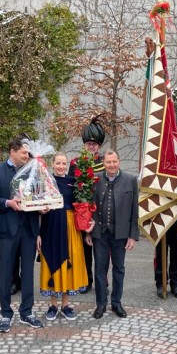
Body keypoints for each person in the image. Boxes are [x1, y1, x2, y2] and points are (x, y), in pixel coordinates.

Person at [0, 136, 46, 333]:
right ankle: (5, 313)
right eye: (24, 153)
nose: (27, 156)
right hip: (7, 231)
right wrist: (7, 203)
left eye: (28, 153)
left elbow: (38, 195)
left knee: (28, 272)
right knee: (6, 273)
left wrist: (41, 208)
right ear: (13, 151)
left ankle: (27, 312)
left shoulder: (32, 170)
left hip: (28, 230)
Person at [86, 150, 139, 319]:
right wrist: (87, 232)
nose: (111, 165)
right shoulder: (95, 179)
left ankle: (116, 303)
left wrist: (133, 235)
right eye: (108, 162)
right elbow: (89, 207)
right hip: (99, 232)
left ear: (119, 161)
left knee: (119, 269)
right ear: (104, 163)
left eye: (114, 161)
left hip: (120, 233)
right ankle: (101, 304)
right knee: (100, 269)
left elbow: (134, 210)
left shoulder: (130, 180)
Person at [38, 152, 91, 320]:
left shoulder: (73, 182)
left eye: (64, 163)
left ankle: (65, 305)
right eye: (58, 163)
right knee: (52, 261)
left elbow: (81, 205)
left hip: (69, 227)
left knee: (70, 263)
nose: (61, 166)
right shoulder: (45, 181)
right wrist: (38, 234)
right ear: (52, 164)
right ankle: (53, 305)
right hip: (50, 227)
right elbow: (37, 210)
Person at [69, 116, 106, 293]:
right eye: (88, 143)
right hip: (82, 211)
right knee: (84, 250)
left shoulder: (105, 162)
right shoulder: (75, 163)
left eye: (94, 144)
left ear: (99, 145)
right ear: (84, 144)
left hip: (100, 211)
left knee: (101, 249)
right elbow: (70, 187)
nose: (91, 146)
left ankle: (103, 281)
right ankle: (86, 280)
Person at [154, 142, 177, 300]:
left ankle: (176, 283)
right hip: (161, 208)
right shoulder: (156, 151)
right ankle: (160, 282)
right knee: (160, 250)